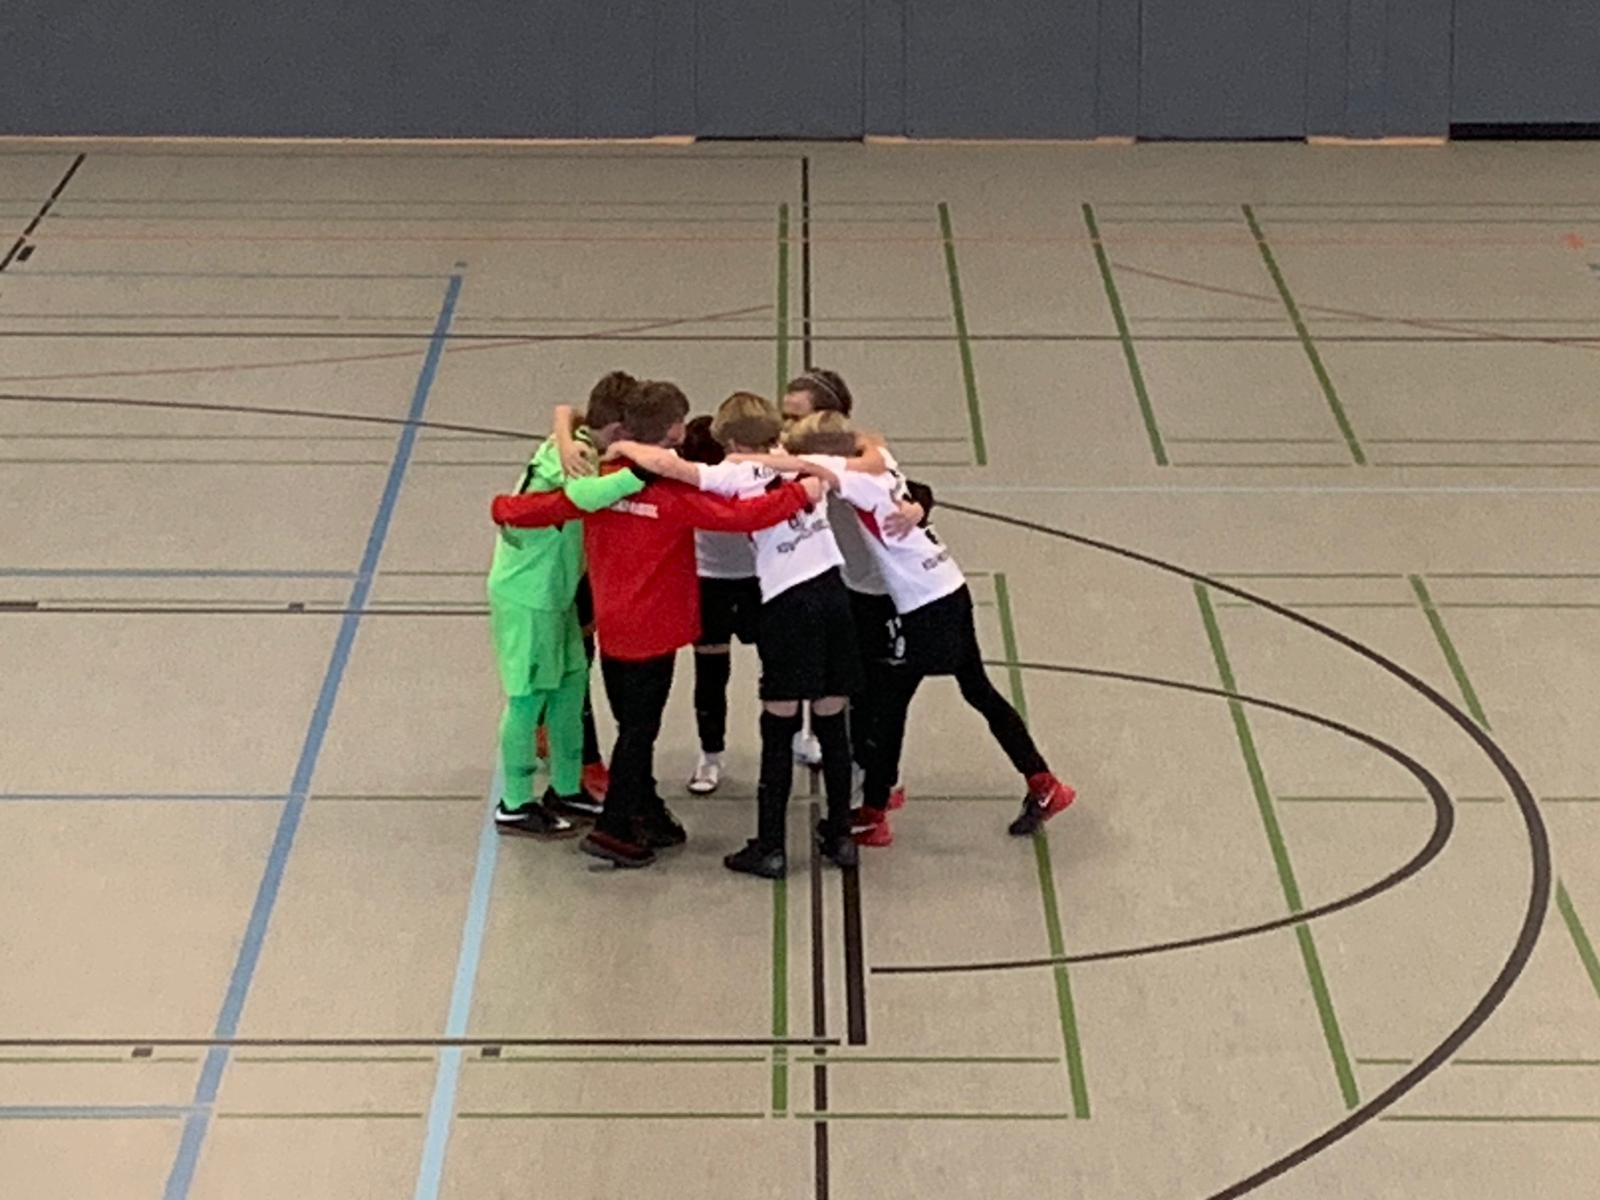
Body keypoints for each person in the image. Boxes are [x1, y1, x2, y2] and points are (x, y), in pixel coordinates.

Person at [490, 381, 827, 870]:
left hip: (614, 629)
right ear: (670, 432)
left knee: (631, 727)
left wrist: (503, 508)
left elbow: (547, 506)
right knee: (638, 733)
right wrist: (801, 492)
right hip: (655, 631)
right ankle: (614, 830)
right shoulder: (669, 494)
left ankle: (644, 810)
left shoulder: (601, 480)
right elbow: (740, 515)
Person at [775, 411, 1077, 842]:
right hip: (948, 585)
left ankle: (875, 812)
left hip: (923, 605)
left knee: (890, 704)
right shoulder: (879, 462)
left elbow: (800, 467)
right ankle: (1043, 783)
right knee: (975, 690)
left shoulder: (854, 480)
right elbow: (868, 445)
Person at [607, 392, 860, 879]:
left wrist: (624, 449)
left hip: (789, 601)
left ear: (734, 443)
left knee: (778, 726)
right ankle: (841, 836)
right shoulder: (799, 463)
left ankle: (770, 845)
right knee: (832, 718)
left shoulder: (734, 473)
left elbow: (670, 466)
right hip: (833, 593)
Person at [485, 371, 648, 838]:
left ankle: (565, 785)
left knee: (570, 686)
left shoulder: (577, 442)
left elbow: (567, 411)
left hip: (557, 593)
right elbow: (584, 497)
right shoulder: (573, 459)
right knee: (528, 696)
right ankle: (516, 801)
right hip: (528, 594)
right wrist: (643, 472)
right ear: (618, 429)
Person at [780, 368, 931, 805]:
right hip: (845, 584)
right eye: (784, 416)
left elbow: (907, 484)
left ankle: (882, 783)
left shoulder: (857, 462)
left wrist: (917, 507)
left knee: (877, 692)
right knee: (842, 676)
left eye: (796, 418)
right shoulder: (802, 455)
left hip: (882, 593)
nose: (786, 427)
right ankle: (848, 758)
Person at [675, 415, 759, 796]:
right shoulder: (684, 479)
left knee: (783, 665)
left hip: (759, 579)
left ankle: (801, 734)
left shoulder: (748, 474)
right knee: (711, 676)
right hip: (709, 583)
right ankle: (710, 754)